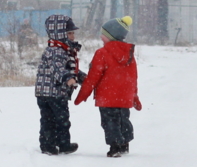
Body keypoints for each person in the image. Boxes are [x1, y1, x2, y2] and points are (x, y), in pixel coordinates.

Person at [75, 16, 141, 157]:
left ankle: (115, 147)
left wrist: (83, 94)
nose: (100, 36)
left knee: (110, 122)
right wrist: (135, 96)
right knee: (123, 120)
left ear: (111, 36)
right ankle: (124, 144)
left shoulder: (102, 53)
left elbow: (93, 77)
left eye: (103, 34)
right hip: (124, 97)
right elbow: (133, 78)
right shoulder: (129, 54)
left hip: (107, 96)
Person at [34, 13, 82, 155]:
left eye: (73, 33)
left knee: (51, 119)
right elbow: (58, 68)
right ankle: (57, 144)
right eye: (70, 33)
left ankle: (53, 144)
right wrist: (68, 78)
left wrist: (82, 77)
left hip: (46, 91)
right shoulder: (56, 50)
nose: (73, 36)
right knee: (59, 120)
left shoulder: (59, 49)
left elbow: (66, 67)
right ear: (60, 33)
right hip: (53, 92)